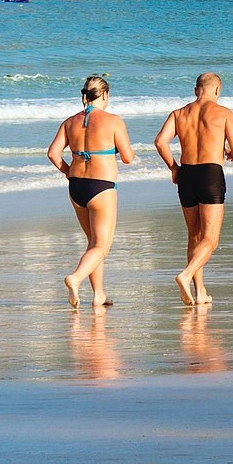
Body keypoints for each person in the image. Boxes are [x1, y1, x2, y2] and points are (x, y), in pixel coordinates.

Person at [153, 72, 233, 306]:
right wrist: (231, 153)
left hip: (186, 175)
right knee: (210, 239)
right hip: (210, 174)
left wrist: (174, 168)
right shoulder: (223, 113)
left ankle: (200, 291)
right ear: (217, 91)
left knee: (194, 235)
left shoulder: (179, 113)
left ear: (196, 90)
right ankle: (185, 275)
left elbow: (160, 141)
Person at [47, 75, 136, 309]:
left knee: (93, 242)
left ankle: (99, 295)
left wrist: (68, 172)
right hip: (101, 187)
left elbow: (53, 154)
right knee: (101, 246)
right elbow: (127, 157)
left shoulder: (69, 122)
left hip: (76, 187)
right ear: (105, 95)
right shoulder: (113, 120)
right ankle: (75, 278)